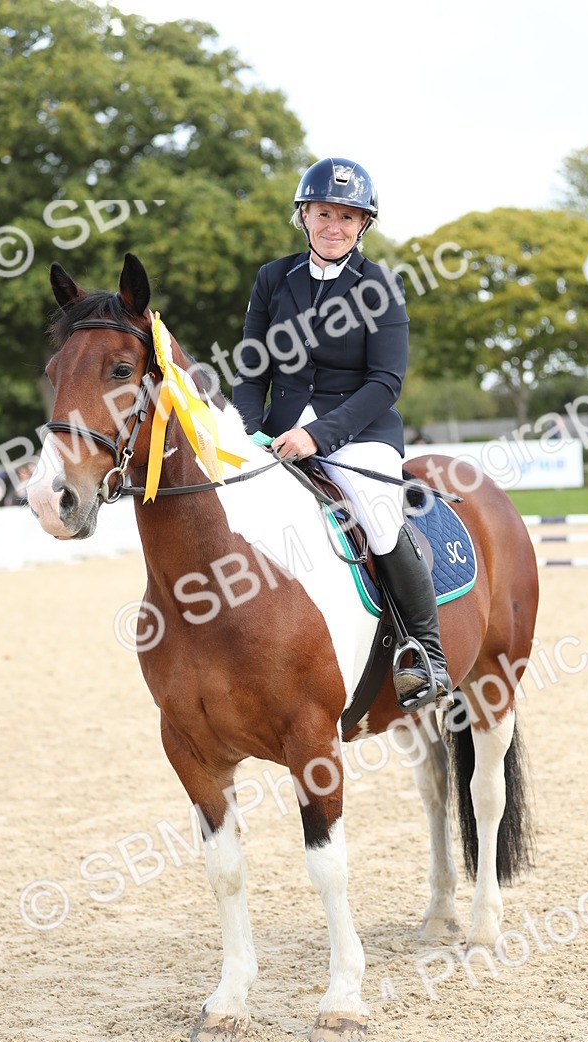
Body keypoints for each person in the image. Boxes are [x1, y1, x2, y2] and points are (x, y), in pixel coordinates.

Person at [231, 156, 452, 709]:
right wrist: (248, 430)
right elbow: (251, 369)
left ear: (363, 226)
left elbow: (385, 381)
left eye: (349, 217)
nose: (335, 226)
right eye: (324, 212)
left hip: (362, 430)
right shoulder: (272, 278)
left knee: (377, 520)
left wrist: (318, 437)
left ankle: (425, 653)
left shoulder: (381, 286)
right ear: (303, 215)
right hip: (279, 432)